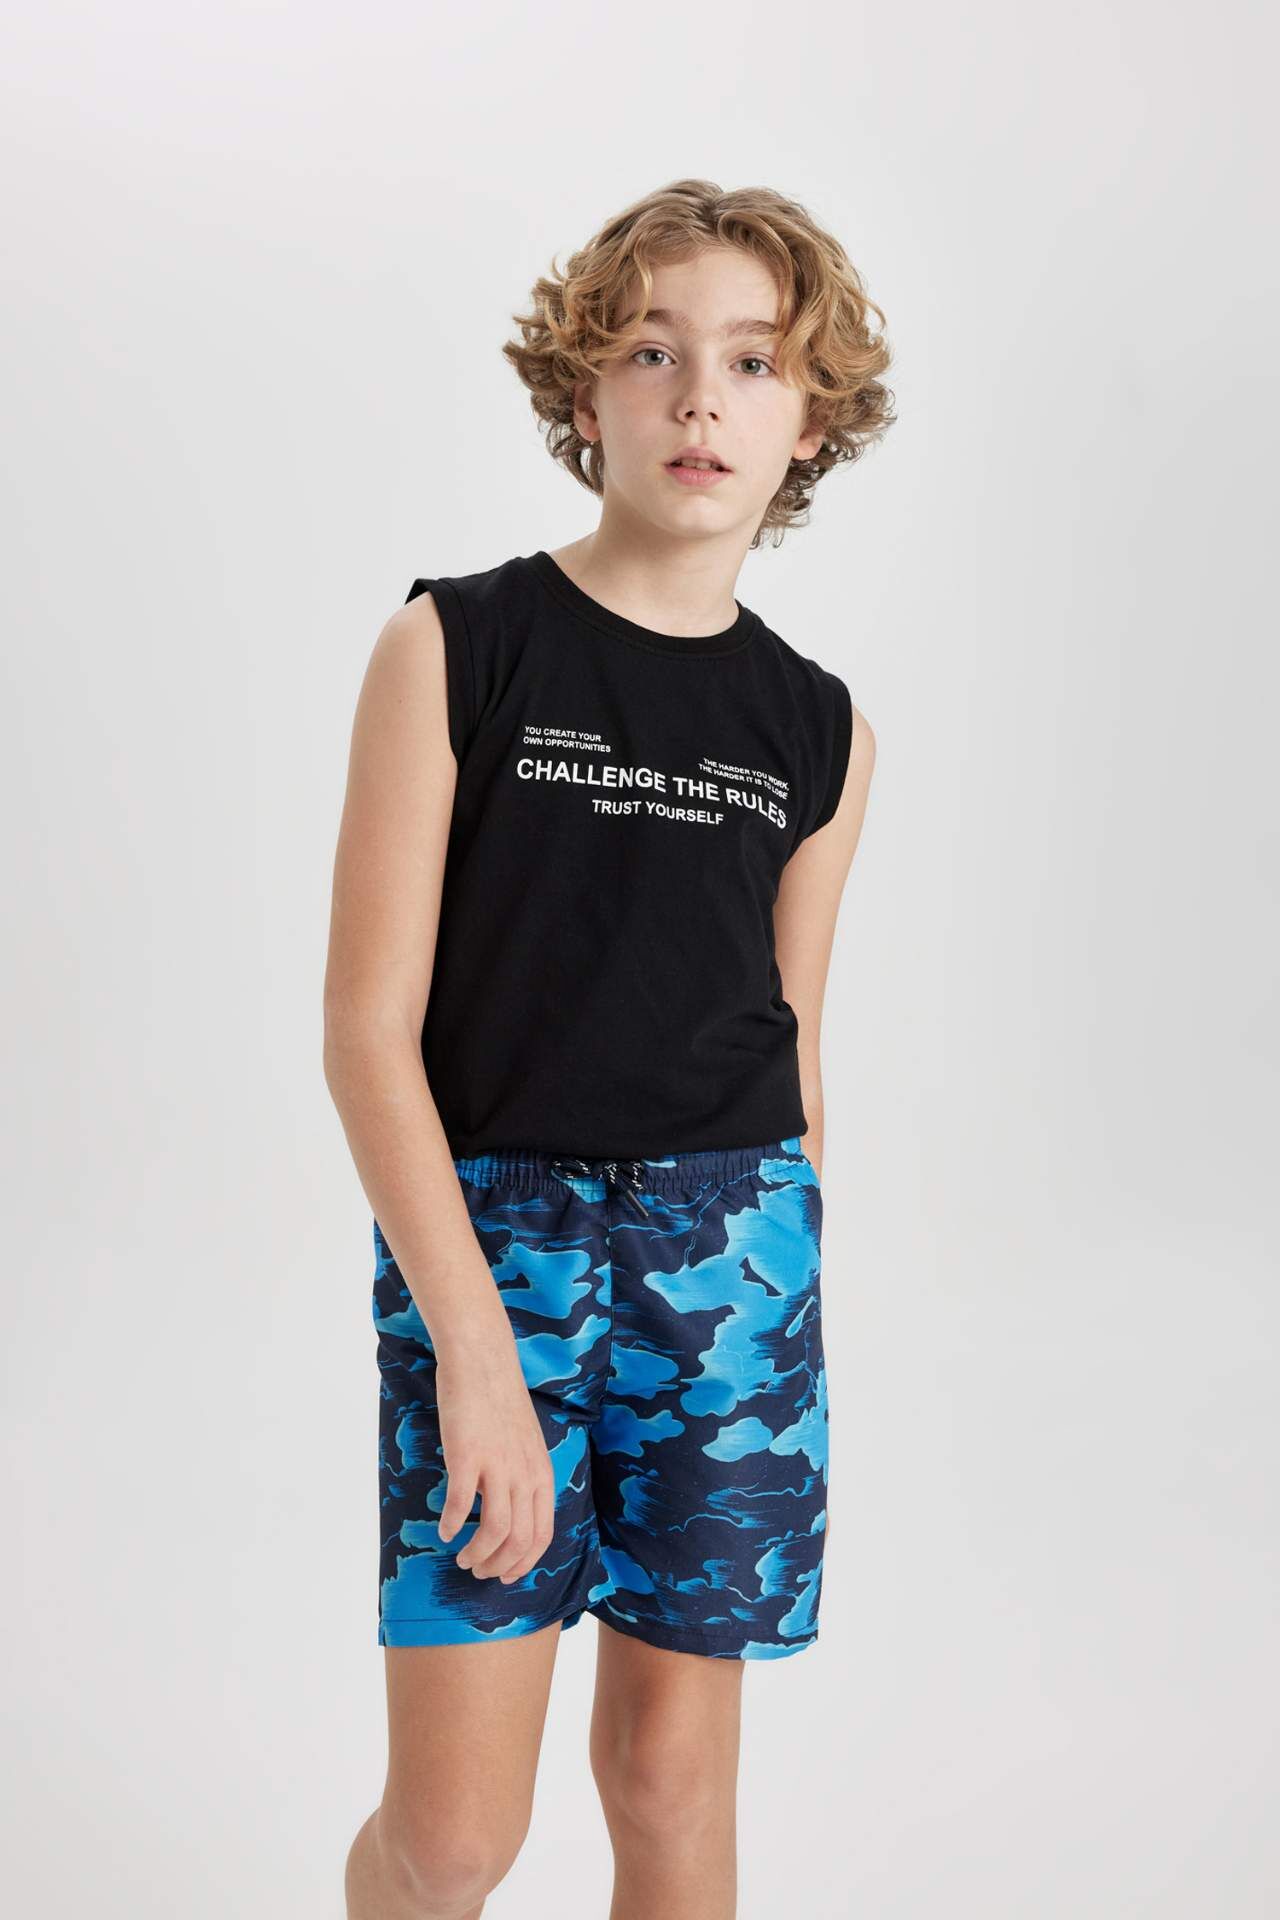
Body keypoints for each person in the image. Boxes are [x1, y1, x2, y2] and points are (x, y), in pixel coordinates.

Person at [324, 176, 893, 1920]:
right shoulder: (457, 645)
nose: (700, 397)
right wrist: (473, 1352)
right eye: (653, 352)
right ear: (587, 391)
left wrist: (783, 1296)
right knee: (453, 1838)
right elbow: (366, 1033)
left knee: (669, 1784)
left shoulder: (821, 729)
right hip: (495, 1254)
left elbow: (793, 1041)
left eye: (752, 362)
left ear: (809, 423)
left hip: (733, 1258)